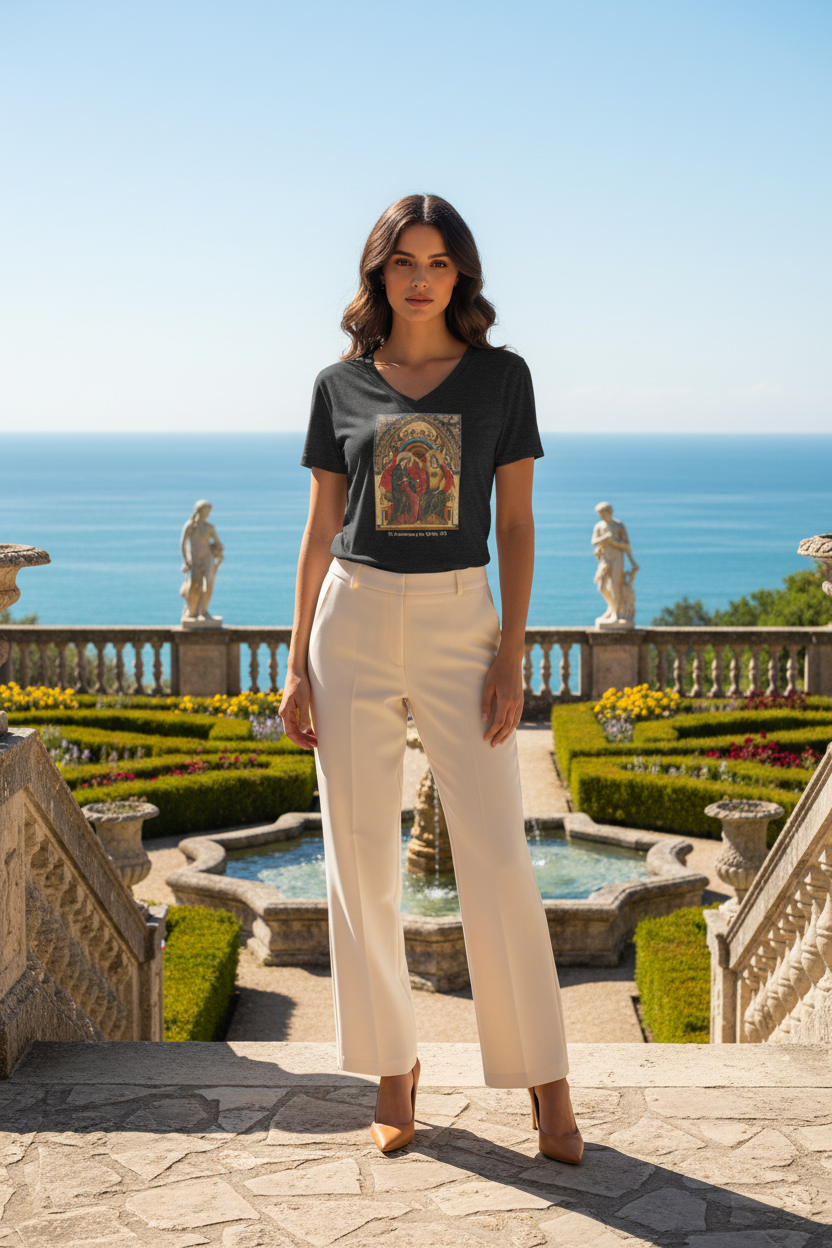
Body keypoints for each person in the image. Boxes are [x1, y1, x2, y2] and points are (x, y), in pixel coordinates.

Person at [279, 194, 582, 1164]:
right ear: (379, 274)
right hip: (352, 622)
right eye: (403, 260)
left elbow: (519, 524)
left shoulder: (502, 379)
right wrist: (295, 666)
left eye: (438, 261)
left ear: (461, 274)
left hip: (462, 619)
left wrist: (511, 651)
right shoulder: (339, 385)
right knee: (360, 860)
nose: (419, 276)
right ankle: (393, 1071)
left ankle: (548, 1089)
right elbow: (322, 531)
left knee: (494, 854)